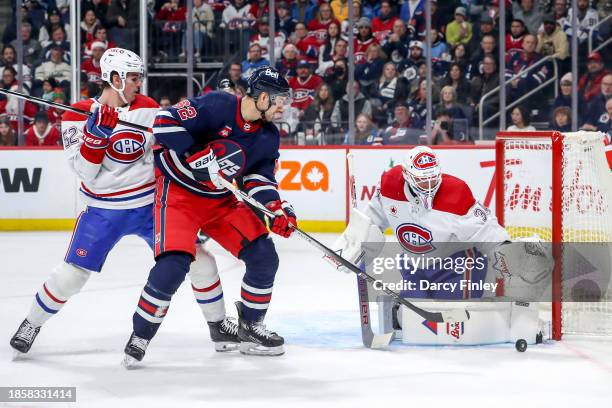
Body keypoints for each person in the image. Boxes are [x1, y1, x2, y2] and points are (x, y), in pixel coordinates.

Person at [9, 48, 231, 358]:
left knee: (202, 261)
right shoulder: (77, 113)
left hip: (150, 207)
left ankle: (219, 326)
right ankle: (31, 323)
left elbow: (169, 146)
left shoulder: (149, 108)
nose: (138, 84)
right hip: (103, 210)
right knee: (71, 276)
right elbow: (84, 172)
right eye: (134, 78)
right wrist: (97, 135)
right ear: (114, 79)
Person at [122, 66, 297, 364]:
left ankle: (250, 325)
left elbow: (259, 179)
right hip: (178, 195)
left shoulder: (268, 136)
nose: (283, 107)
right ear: (263, 97)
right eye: (280, 99)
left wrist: (275, 209)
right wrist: (193, 153)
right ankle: (141, 334)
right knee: (175, 263)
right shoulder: (218, 104)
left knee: (264, 255)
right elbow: (164, 122)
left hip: (220, 201)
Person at [334, 147, 543, 346]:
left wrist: (509, 253)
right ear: (407, 175)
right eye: (422, 181)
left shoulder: (456, 194)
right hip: (414, 265)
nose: (428, 185)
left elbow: (487, 230)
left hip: (458, 265)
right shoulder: (390, 184)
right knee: (412, 319)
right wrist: (354, 244)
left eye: (433, 179)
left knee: (454, 320)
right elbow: (373, 220)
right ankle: (398, 307)